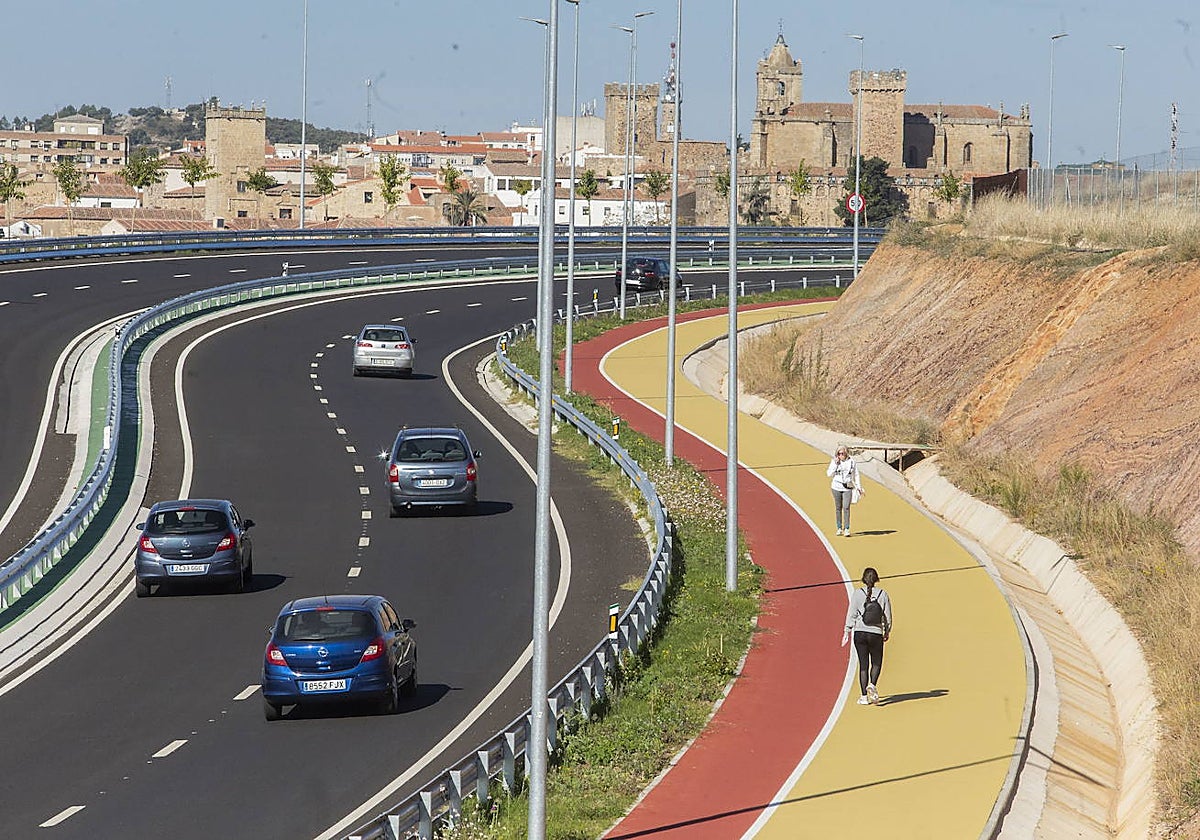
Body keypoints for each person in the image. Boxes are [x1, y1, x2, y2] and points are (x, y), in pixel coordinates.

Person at [841, 567, 892, 705]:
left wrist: (847, 630)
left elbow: (851, 613)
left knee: (863, 665)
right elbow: (887, 616)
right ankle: (872, 684)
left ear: (863, 579)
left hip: (860, 633)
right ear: (876, 579)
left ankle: (863, 696)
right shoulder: (883, 594)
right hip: (875, 633)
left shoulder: (857, 594)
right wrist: (886, 631)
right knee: (876, 662)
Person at [825, 445, 862, 536]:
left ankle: (847, 528)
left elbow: (856, 475)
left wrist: (859, 487)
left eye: (842, 453)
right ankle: (839, 527)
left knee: (846, 507)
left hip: (847, 487)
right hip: (836, 487)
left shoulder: (852, 462)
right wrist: (835, 464)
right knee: (838, 507)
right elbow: (829, 474)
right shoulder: (834, 462)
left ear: (846, 453)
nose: (840, 455)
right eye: (839, 454)